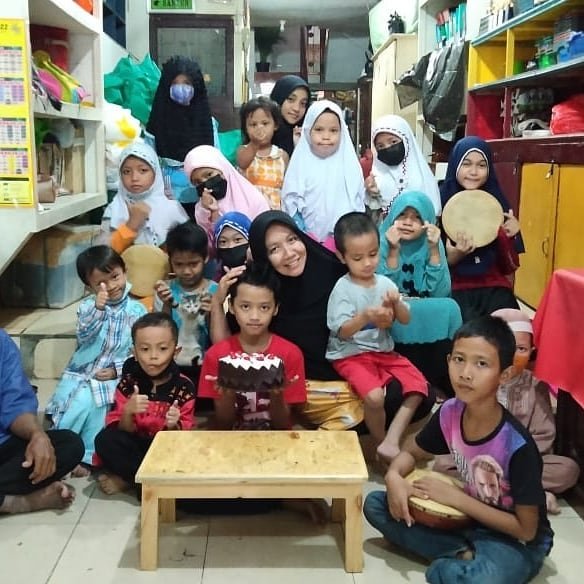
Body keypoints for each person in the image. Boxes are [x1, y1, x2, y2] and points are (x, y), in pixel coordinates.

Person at [364, 316, 554, 584]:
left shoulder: (516, 445)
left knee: (484, 579)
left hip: (514, 539)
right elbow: (410, 452)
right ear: (448, 361)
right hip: (467, 521)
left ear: (505, 374)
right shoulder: (450, 412)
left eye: (481, 364)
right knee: (376, 504)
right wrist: (394, 476)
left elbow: (527, 530)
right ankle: (463, 554)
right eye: (459, 359)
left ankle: (457, 563)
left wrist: (456, 499)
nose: (465, 373)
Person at [215, 210, 433, 434]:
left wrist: (383, 316)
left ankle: (349, 431)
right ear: (263, 255)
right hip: (309, 385)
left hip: (356, 363)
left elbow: (371, 310)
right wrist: (217, 302)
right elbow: (224, 348)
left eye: (292, 239)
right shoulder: (262, 290)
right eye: (274, 249)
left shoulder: (334, 270)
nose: (289, 253)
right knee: (376, 400)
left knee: (418, 392)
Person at [435, 308, 580, 514]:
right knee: (443, 465)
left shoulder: (535, 385)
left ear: (531, 351)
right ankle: (525, 495)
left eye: (521, 348)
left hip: (521, 462)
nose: (513, 355)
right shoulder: (476, 379)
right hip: (478, 458)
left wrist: (512, 457)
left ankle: (492, 491)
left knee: (568, 470)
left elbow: (544, 434)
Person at [326, 212, 429, 461]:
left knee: (420, 387)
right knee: (374, 397)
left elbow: (405, 318)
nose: (367, 263)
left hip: (383, 352)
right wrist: (365, 316)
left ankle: (391, 440)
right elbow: (342, 330)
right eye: (358, 258)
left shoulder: (385, 284)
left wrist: (397, 304)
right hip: (350, 354)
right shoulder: (342, 287)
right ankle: (381, 443)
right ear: (341, 256)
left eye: (373, 254)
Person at [45, 246, 146, 472]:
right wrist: (98, 310)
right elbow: (84, 336)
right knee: (80, 402)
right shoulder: (88, 307)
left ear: (125, 271)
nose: (111, 286)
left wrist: (117, 370)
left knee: (101, 407)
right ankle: (58, 451)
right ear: (89, 287)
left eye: (115, 277)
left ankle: (87, 457)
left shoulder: (137, 310)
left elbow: (138, 352)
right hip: (83, 372)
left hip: (115, 376)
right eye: (101, 283)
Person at [94, 312, 196, 495]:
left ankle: (131, 481)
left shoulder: (184, 387)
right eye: (145, 349)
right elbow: (122, 430)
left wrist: (173, 425)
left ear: (176, 351)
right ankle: (148, 484)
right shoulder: (129, 382)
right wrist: (128, 412)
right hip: (135, 447)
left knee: (187, 456)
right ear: (134, 352)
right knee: (105, 440)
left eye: (162, 348)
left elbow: (181, 440)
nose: (153, 356)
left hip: (164, 449)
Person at [199, 262, 306, 430]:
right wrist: (227, 395)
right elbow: (223, 424)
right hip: (231, 439)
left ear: (275, 308)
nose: (254, 316)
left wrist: (277, 395)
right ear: (231, 307)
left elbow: (282, 425)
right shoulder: (217, 356)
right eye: (245, 306)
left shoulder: (290, 354)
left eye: (264, 307)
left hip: (276, 439)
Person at [377, 191, 462, 395]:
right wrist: (393, 251)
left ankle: (443, 379)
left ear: (427, 222)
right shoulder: (381, 240)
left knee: (450, 307)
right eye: (402, 215)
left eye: (416, 217)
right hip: (391, 305)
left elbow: (440, 292)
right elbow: (382, 290)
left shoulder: (432, 242)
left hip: (423, 304)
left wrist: (433, 251)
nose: (408, 222)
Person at [440, 136, 523, 321]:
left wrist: (510, 236)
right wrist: (453, 257)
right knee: (464, 325)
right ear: (455, 165)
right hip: (453, 285)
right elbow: (430, 269)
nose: (474, 172)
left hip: (492, 284)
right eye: (466, 164)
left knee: (514, 324)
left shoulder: (497, 203)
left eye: (481, 165)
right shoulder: (440, 202)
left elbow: (510, 267)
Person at [0, 329, 83, 514]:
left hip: (4, 444)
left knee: (69, 444)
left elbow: (15, 405)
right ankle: (18, 502)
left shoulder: (1, 342)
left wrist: (37, 435)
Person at [281, 99, 365, 248]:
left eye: (333, 130)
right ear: (308, 131)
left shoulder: (350, 166)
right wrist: (303, 233)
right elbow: (290, 201)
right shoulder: (300, 165)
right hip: (307, 243)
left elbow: (358, 202)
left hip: (345, 244)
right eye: (319, 129)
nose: (326, 136)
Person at [146, 56, 214, 213]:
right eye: (175, 83)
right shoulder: (156, 121)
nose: (181, 88)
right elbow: (148, 159)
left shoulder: (207, 122)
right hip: (165, 198)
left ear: (196, 87)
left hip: (200, 200)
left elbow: (214, 161)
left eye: (187, 83)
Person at [154, 222, 218, 385]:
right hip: (171, 367)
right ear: (170, 260)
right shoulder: (164, 290)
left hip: (205, 368)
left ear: (206, 257)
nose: (186, 271)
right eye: (179, 264)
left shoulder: (216, 291)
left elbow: (219, 342)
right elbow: (159, 336)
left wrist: (213, 312)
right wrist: (166, 305)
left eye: (193, 264)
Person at [99, 142, 188, 254]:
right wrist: (131, 225)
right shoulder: (114, 210)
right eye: (126, 172)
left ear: (155, 173)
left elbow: (187, 250)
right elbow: (103, 255)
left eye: (143, 170)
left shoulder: (172, 208)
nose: (134, 178)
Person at [183, 145, 269, 242]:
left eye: (209, 174)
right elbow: (209, 244)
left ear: (223, 169)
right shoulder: (201, 209)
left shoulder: (252, 197)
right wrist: (212, 213)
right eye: (198, 182)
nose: (205, 183)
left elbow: (266, 234)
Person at [365, 115, 441, 224]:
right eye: (380, 146)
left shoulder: (422, 176)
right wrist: (371, 195)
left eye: (393, 142)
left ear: (406, 140)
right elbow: (372, 217)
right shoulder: (376, 176)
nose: (387, 148)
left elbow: (433, 212)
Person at [236, 97, 289, 209]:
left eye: (265, 123)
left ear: (275, 125)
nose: (259, 128)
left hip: (274, 211)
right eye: (253, 124)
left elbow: (287, 186)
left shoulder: (282, 156)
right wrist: (254, 143)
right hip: (249, 208)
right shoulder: (243, 150)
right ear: (246, 128)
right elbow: (242, 163)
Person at [269, 74, 310, 157]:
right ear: (279, 98)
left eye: (303, 103)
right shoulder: (263, 132)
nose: (297, 108)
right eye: (291, 99)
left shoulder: (308, 136)